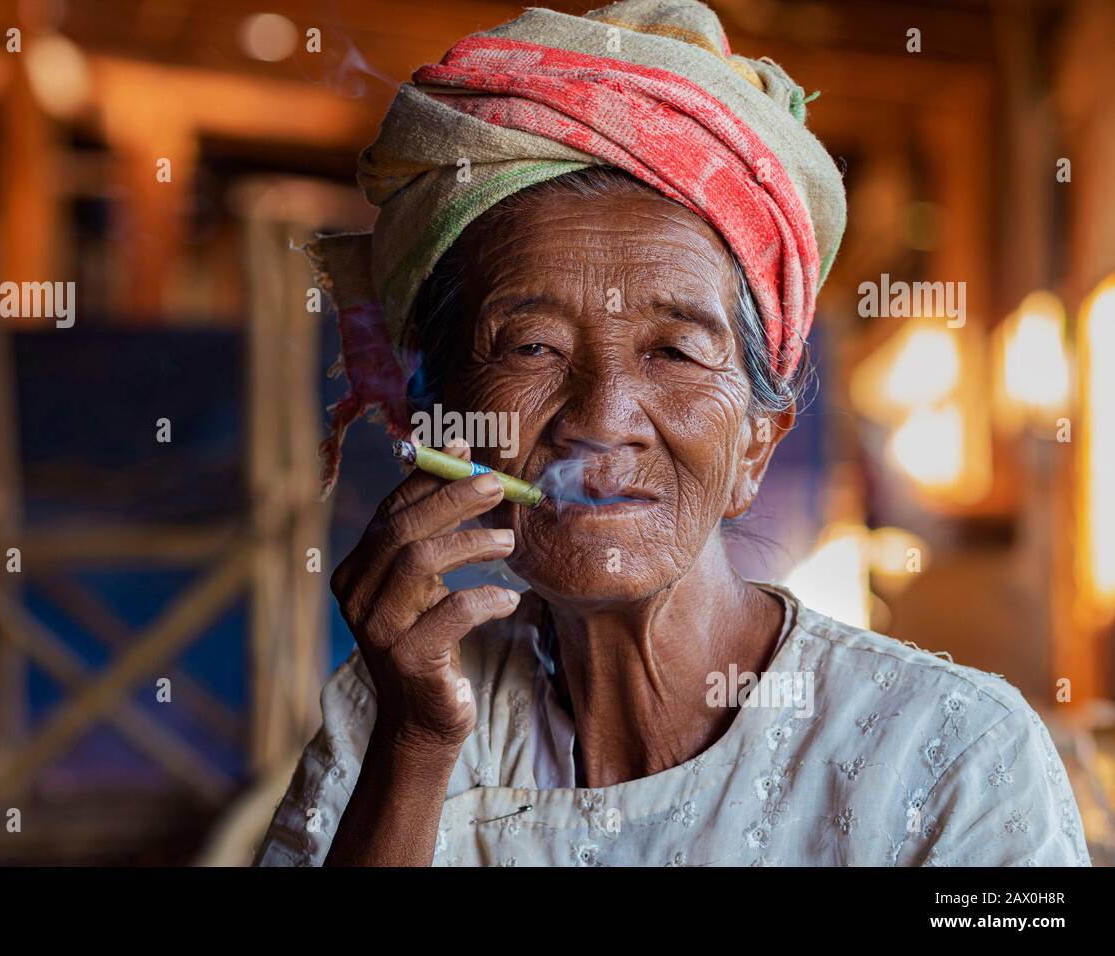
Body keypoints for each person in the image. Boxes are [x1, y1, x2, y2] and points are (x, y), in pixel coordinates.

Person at [255, 0, 1091, 866]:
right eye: (533, 346)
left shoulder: (956, 759)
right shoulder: (392, 710)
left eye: (676, 352)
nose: (602, 419)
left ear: (757, 444)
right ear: (446, 421)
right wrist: (418, 750)